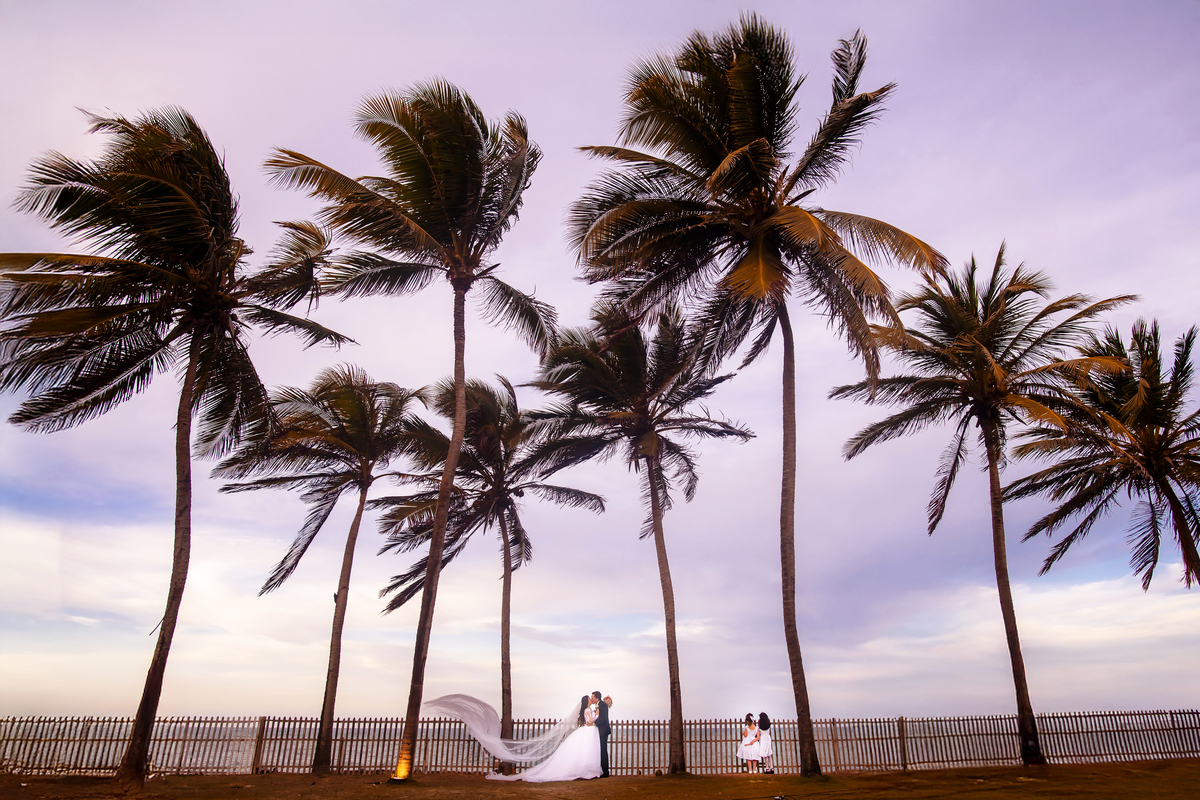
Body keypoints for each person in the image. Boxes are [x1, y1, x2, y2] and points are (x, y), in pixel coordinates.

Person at [423, 693, 601, 783]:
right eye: (592, 698)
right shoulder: (589, 710)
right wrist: (597, 712)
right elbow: (591, 719)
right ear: (588, 701)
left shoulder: (585, 709)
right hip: (589, 729)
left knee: (581, 752)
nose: (593, 700)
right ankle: (586, 770)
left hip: (586, 730)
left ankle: (586, 770)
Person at [591, 690, 612, 777]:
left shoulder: (602, 705)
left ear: (597, 698)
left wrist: (594, 723)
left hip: (603, 731)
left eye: (592, 698)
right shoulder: (598, 705)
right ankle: (601, 770)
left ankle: (605, 772)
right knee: (600, 750)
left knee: (603, 751)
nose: (591, 699)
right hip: (600, 731)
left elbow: (603, 718)